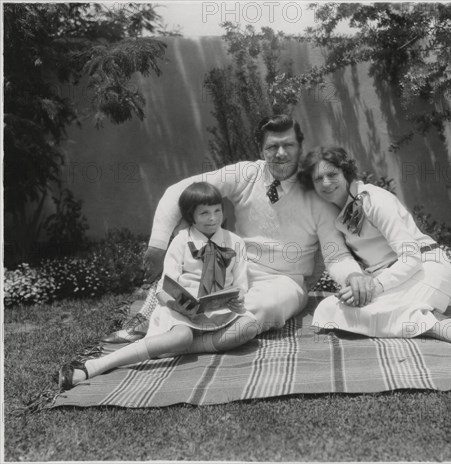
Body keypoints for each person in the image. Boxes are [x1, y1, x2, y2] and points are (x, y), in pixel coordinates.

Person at [102, 115, 373, 346]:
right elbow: (179, 192)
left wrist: (352, 276)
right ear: (261, 150)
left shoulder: (315, 192)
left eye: (288, 145)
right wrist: (158, 245)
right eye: (272, 147)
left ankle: (183, 338)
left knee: (263, 308)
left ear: (300, 146)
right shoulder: (246, 174)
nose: (281, 153)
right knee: (190, 227)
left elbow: (335, 254)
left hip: (285, 281)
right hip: (233, 269)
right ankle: (161, 314)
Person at [58, 182, 250, 389]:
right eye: (204, 213)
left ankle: (172, 347)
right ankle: (93, 366)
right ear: (191, 216)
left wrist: (237, 302)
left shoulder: (235, 242)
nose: (213, 218)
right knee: (182, 334)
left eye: (217, 211)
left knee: (249, 327)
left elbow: (240, 286)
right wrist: (179, 306)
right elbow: (163, 290)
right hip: (181, 312)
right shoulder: (181, 241)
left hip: (218, 313)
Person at [297, 146, 451, 349]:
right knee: (330, 309)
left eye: (332, 174)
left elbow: (411, 258)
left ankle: (449, 330)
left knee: (370, 313)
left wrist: (374, 286)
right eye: (318, 178)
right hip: (387, 280)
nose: (326, 183)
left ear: (345, 172)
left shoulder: (374, 200)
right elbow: (337, 256)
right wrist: (355, 279)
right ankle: (441, 322)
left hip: (425, 270)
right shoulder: (326, 212)